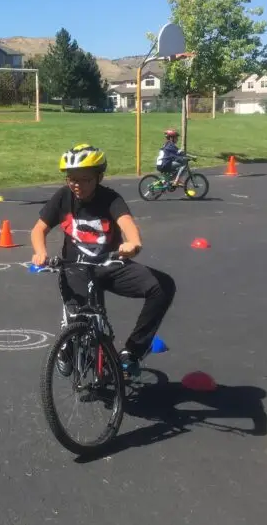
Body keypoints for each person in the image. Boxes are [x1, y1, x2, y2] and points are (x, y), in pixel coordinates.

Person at [30, 143, 176, 375]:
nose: (77, 185)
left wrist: (133, 243)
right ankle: (67, 345)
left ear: (99, 177)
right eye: (72, 179)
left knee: (162, 286)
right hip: (76, 269)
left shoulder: (110, 199)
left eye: (85, 179)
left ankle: (132, 351)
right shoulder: (63, 197)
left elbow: (126, 222)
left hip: (110, 265)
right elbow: (39, 229)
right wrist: (40, 252)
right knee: (81, 322)